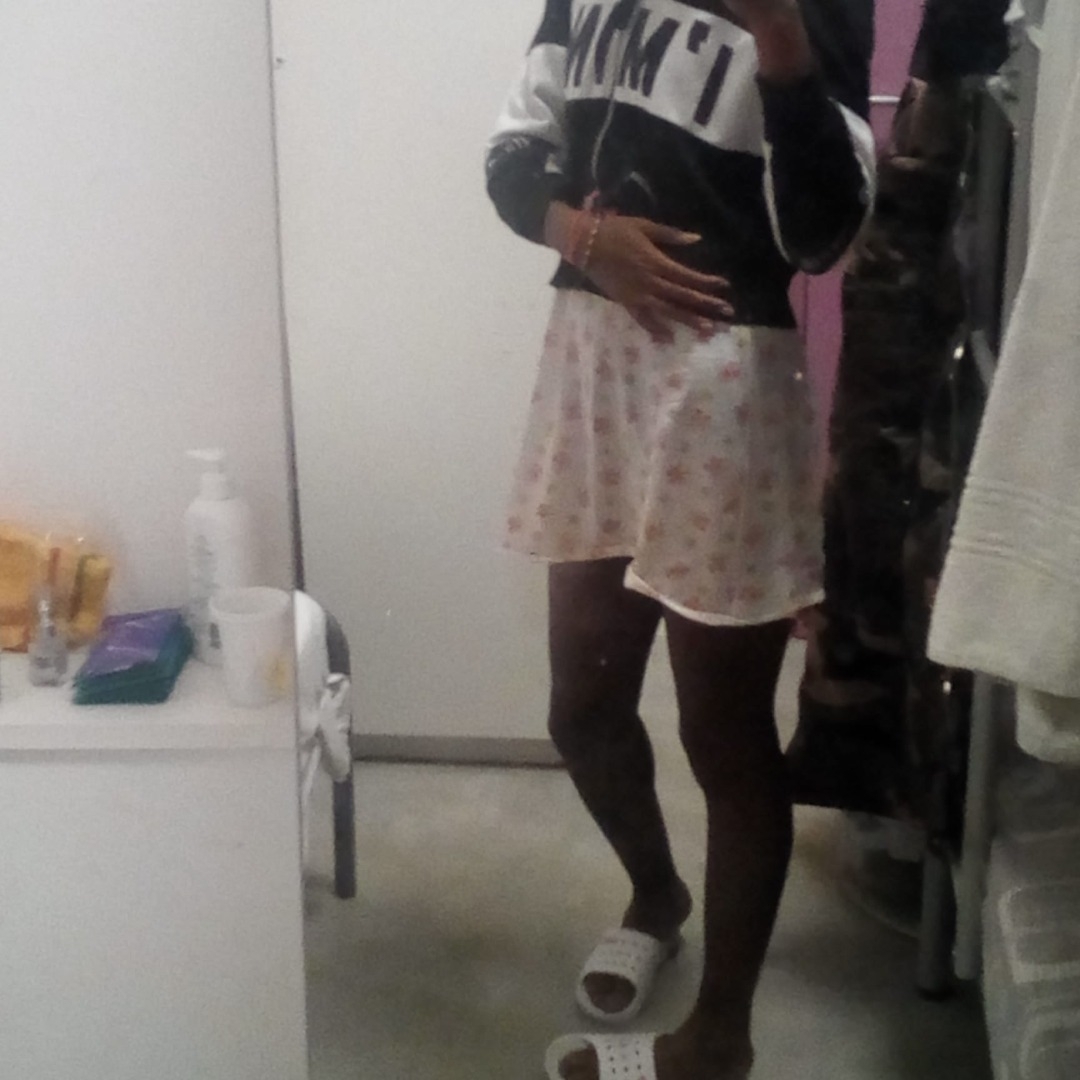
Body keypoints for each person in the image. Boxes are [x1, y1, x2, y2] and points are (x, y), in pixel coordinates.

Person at [485, 3, 874, 1079]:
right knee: (582, 704)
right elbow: (513, 155)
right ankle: (657, 896)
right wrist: (581, 236)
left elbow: (822, 236)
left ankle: (719, 1038)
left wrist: (782, 39)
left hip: (723, 381)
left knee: (725, 733)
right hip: (591, 365)